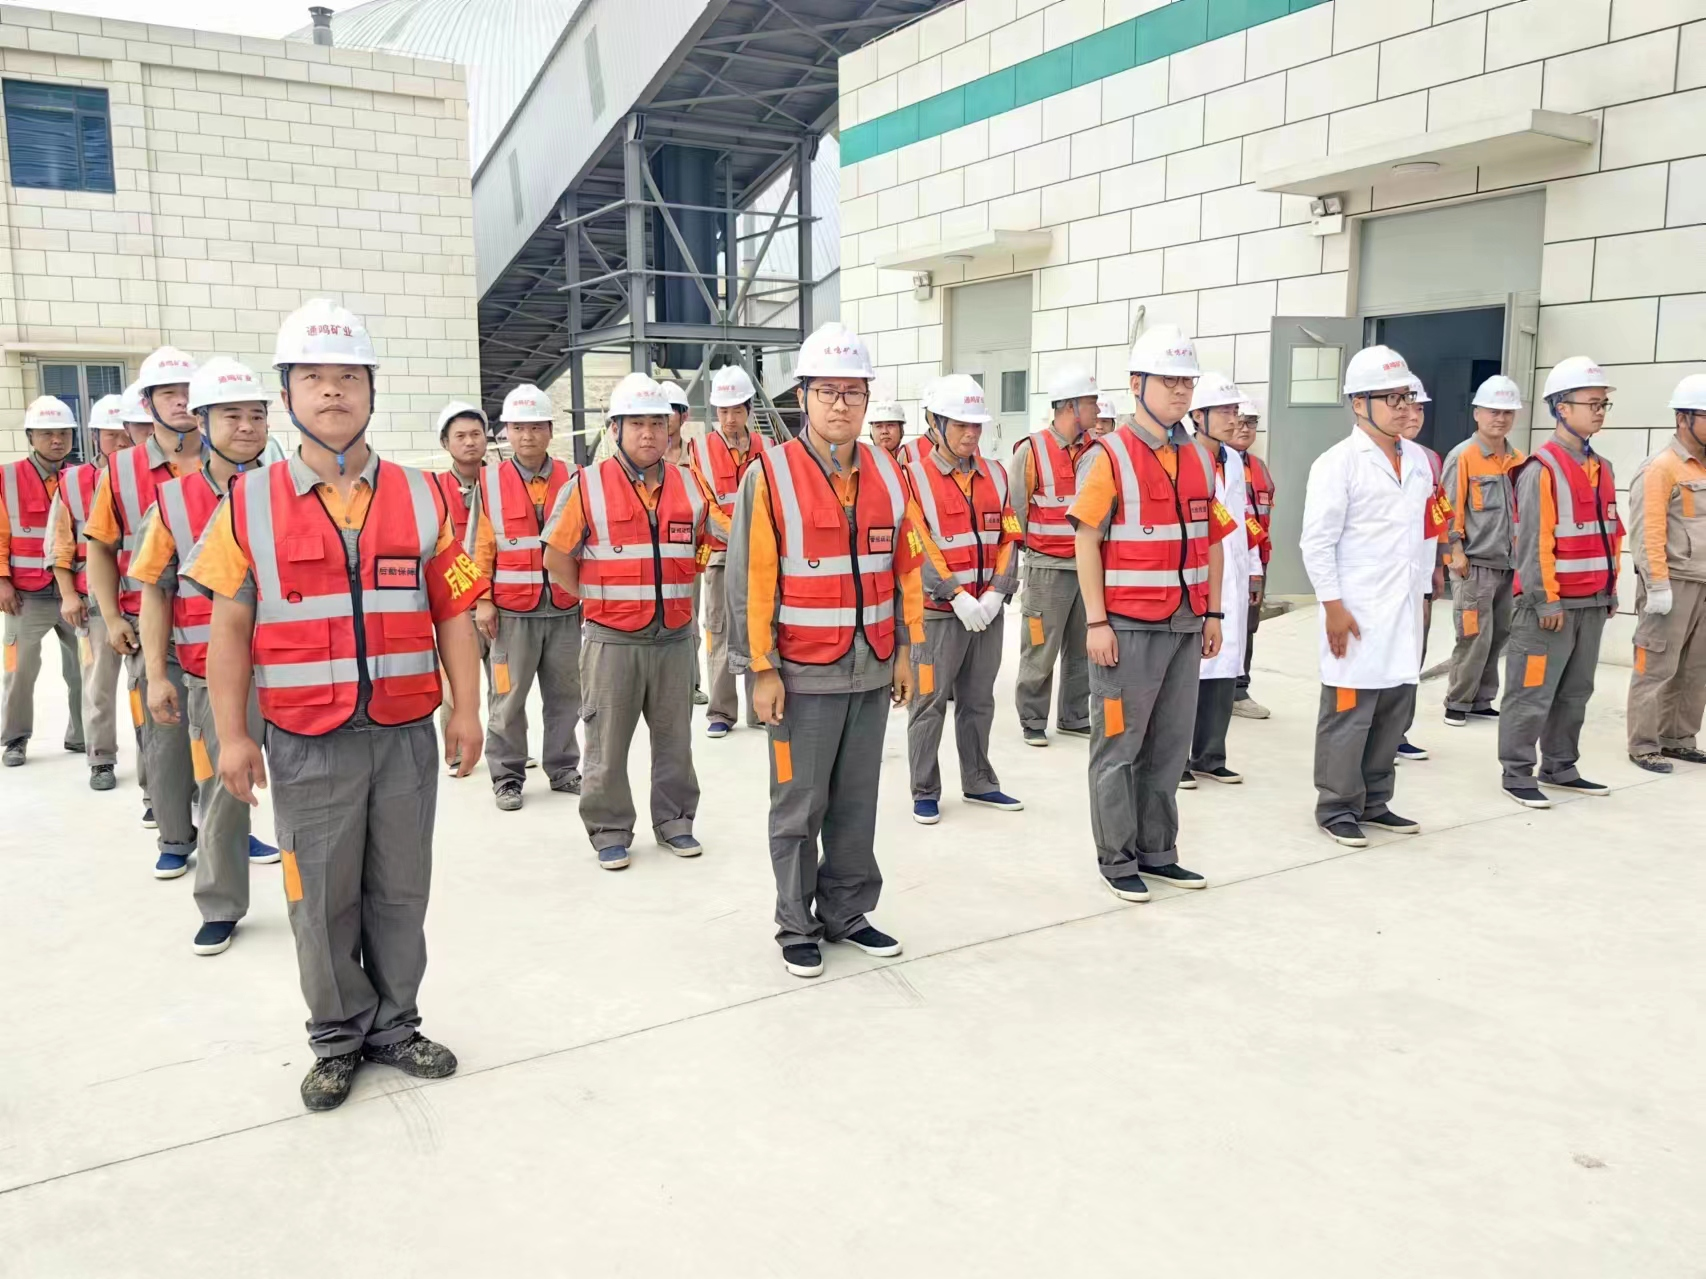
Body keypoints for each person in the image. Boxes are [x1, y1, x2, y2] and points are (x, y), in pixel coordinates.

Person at [182, 298, 488, 1112]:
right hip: (305, 738)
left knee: (401, 888)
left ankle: (395, 1025)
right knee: (318, 896)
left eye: (348, 376)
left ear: (372, 390)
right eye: (313, 377)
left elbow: (455, 611)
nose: (332, 391)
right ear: (287, 393)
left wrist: (467, 709)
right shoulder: (247, 503)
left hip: (404, 733)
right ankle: (336, 1036)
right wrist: (234, 735)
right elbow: (229, 628)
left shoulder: (427, 496)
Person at [725, 322, 931, 979]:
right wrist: (760, 669)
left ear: (867, 398)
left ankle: (847, 912)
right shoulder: (770, 475)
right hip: (800, 675)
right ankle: (797, 924)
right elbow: (749, 581)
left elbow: (904, 569)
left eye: (853, 392)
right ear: (802, 397)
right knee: (798, 805)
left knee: (856, 803)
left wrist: (906, 649)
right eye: (827, 392)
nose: (841, 405)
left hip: (870, 668)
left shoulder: (890, 474)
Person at [1072, 324, 1233, 901]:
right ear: (1137, 384)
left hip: (1185, 625)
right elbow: (1086, 540)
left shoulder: (1198, 458)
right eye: (1169, 381)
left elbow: (1213, 540)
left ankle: (1159, 852)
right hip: (1126, 629)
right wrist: (1096, 623)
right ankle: (1117, 859)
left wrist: (1213, 613)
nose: (1181, 392)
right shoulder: (1110, 455)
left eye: (1187, 382)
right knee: (1118, 748)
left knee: (1168, 748)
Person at [132, 358, 281, 955]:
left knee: (313, 791)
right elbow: (154, 590)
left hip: (296, 668)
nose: (246, 426)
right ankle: (220, 903)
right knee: (224, 792)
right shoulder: (173, 502)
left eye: (257, 415)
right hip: (211, 674)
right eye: (231, 415)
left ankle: (322, 900)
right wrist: (156, 675)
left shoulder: (292, 490)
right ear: (201, 422)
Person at [542, 373, 714, 868]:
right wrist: (597, 596)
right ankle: (609, 829)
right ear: (615, 429)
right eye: (636, 423)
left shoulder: (688, 484)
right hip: (612, 640)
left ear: (670, 428)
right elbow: (556, 557)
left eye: (657, 423)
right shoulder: (587, 485)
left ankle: (676, 821)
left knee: (675, 741)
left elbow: (706, 541)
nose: (648, 433)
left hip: (675, 637)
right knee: (606, 743)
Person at [1301, 347, 1436, 848]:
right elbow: (1316, 542)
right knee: (1349, 710)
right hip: (1355, 609)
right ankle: (1336, 806)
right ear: (1359, 403)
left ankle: (1376, 800)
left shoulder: (1418, 460)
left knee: (1393, 706)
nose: (1404, 407)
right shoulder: (1337, 464)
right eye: (1391, 398)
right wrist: (1333, 607)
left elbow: (1426, 532)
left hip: (1404, 605)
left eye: (1407, 396)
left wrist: (1424, 591)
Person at [85, 347, 205, 866]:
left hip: (221, 620)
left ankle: (230, 831)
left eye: (188, 393)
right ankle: (175, 838)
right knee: (165, 734)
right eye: (168, 394)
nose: (181, 402)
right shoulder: (121, 470)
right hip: (148, 622)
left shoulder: (234, 459)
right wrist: (112, 617)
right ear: (148, 403)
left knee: (226, 732)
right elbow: (99, 547)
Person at [1498, 357, 1622, 808]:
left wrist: (1610, 591)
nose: (1600, 411)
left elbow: (1612, 534)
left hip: (1591, 602)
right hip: (1548, 609)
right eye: (1592, 403)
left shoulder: (1602, 467)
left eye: (1604, 404)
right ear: (1561, 408)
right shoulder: (1542, 468)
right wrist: (1545, 600)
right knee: (1530, 693)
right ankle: (1516, 773)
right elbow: (1533, 543)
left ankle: (1560, 766)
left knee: (1575, 693)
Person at [904, 373, 1023, 824]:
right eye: (960, 424)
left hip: (987, 613)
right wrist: (955, 595)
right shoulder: (913, 478)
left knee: (979, 701)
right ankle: (925, 789)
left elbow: (1009, 533)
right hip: (937, 615)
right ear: (934, 423)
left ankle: (979, 781)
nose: (971, 433)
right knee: (928, 703)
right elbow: (918, 542)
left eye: (976, 425)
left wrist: (996, 592)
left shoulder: (996, 474)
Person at [474, 384, 581, 810]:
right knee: (507, 698)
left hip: (564, 609)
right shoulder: (489, 481)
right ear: (506, 432)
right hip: (511, 613)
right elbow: (479, 546)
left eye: (536, 427)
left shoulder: (574, 477)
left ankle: (563, 768)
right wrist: (483, 599)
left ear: (550, 430)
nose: (527, 436)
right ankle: (507, 776)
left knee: (567, 696)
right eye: (519, 428)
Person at [1010, 366, 1096, 747]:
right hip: (1046, 569)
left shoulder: (1097, 449)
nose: (1097, 409)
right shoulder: (1031, 451)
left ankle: (1074, 716)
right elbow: (1015, 510)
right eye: (1091, 402)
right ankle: (1032, 718)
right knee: (1040, 648)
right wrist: (1026, 558)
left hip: (1086, 568)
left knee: (1082, 649)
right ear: (1071, 407)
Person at [49, 394, 129, 790]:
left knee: (152, 688)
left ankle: (161, 767)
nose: (120, 442)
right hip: (95, 603)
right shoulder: (72, 483)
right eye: (111, 435)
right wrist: (68, 595)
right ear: (95, 436)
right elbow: (59, 545)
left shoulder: (148, 477)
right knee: (97, 685)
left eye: (126, 434)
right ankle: (101, 759)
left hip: (144, 599)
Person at [1627, 374, 1706, 772]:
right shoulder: (1660, 468)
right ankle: (1644, 745)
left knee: (1695, 669)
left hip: (1703, 582)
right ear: (1682, 418)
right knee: (1655, 666)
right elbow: (1647, 532)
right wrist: (1656, 585)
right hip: (1672, 584)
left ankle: (1679, 738)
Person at [1185, 374, 1261, 786]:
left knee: (1225, 665)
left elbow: (1242, 520)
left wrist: (1254, 567)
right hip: (1196, 575)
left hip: (1232, 573)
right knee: (1189, 674)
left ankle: (1210, 755)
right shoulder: (1183, 456)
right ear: (1199, 416)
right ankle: (1177, 759)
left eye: (1237, 411)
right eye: (1226, 411)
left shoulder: (1234, 461)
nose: (1235, 419)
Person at [2, 396, 84, 768]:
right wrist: (2, 581)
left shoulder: (81, 477)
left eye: (64, 433)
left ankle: (83, 736)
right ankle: (15, 739)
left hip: (75, 593)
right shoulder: (6, 477)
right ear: (30, 436)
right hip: (25, 595)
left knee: (84, 668)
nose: (57, 440)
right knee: (18, 669)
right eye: (47, 433)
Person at [1441, 375, 1526, 727]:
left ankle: (1481, 699)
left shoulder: (1519, 460)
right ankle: (1457, 701)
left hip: (1507, 563)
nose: (1500, 418)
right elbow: (1446, 508)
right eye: (1493, 411)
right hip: (1473, 564)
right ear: (1477, 413)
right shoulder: (1463, 456)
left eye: (1507, 412)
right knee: (1473, 635)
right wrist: (1455, 551)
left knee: (1499, 634)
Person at [689, 364, 769, 738]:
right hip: (721, 558)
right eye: (723, 411)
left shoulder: (768, 449)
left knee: (758, 626)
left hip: (762, 558)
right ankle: (721, 712)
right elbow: (706, 506)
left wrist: (759, 544)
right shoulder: (701, 451)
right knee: (719, 630)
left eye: (737, 410)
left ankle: (760, 709)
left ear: (749, 409)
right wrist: (742, 539)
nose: (730, 418)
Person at [432, 401, 493, 769]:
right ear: (446, 443)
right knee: (454, 686)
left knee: (504, 684)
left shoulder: (501, 483)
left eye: (475, 434)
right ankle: (455, 752)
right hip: (453, 606)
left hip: (496, 604)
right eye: (460, 436)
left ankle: (506, 752)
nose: (470, 442)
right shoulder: (435, 489)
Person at [1392, 373, 1446, 763]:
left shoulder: (1429, 460)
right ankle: (1376, 734)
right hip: (1385, 579)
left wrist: (1437, 567)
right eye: (1406, 407)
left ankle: (1399, 732)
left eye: (1419, 409)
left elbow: (1436, 516)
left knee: (1413, 654)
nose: (1413, 415)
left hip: (1420, 575)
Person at [1230, 398, 1273, 719]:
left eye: (1252, 422)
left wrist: (1256, 566)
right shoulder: (1213, 463)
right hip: (1225, 558)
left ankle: (1238, 690)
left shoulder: (1258, 467)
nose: (1245, 429)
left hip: (1255, 557)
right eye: (1240, 421)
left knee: (1247, 626)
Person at [660, 380, 691, 466]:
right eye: (659, 415)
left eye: (669, 414)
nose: (663, 420)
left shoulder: (694, 455)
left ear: (684, 417)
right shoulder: (647, 457)